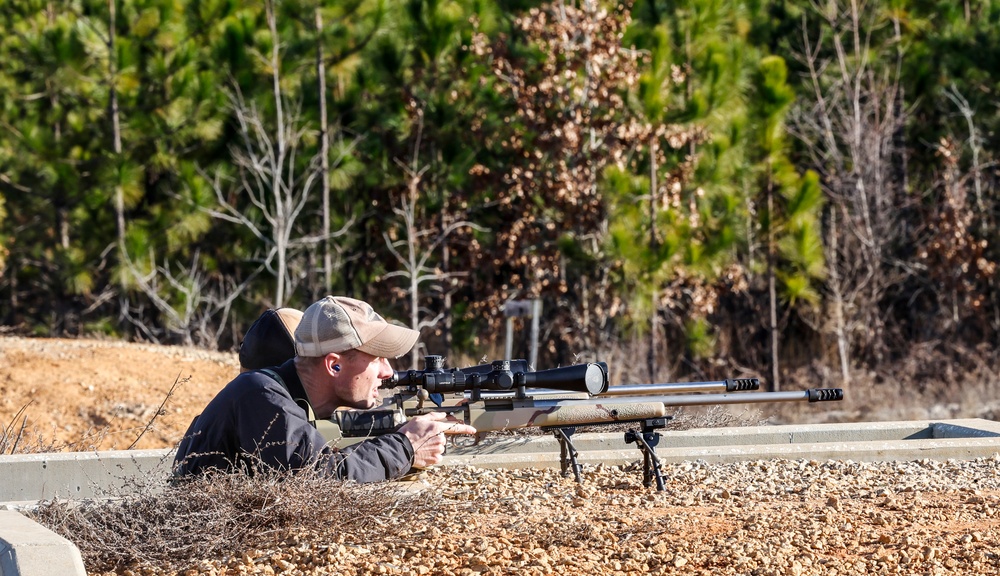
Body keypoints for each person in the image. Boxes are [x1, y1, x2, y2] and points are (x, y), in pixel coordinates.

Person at [174, 296, 476, 482]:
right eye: (378, 359)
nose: (388, 372)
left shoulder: (288, 400)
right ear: (334, 365)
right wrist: (405, 446)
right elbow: (320, 477)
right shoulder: (259, 393)